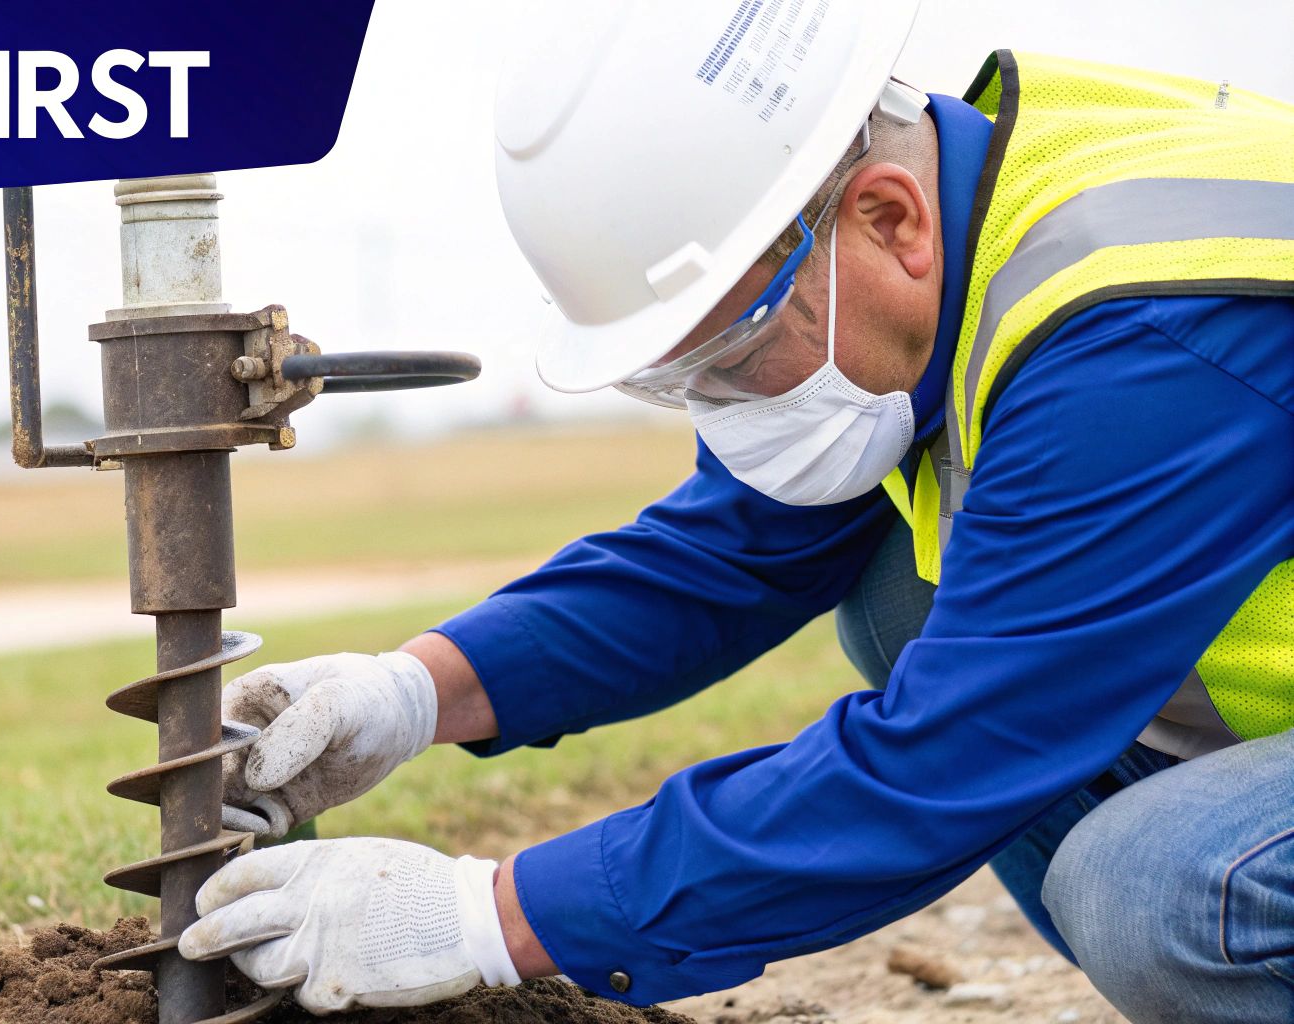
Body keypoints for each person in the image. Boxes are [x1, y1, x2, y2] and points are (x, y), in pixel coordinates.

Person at [177, 3, 1294, 1020]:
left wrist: (488, 917)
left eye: (731, 353)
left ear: (888, 218)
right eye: (679, 384)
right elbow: (729, 550)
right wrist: (415, 690)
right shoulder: (974, 216)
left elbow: (948, 755)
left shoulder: (1135, 340)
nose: (723, 411)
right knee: (900, 595)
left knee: (1159, 883)